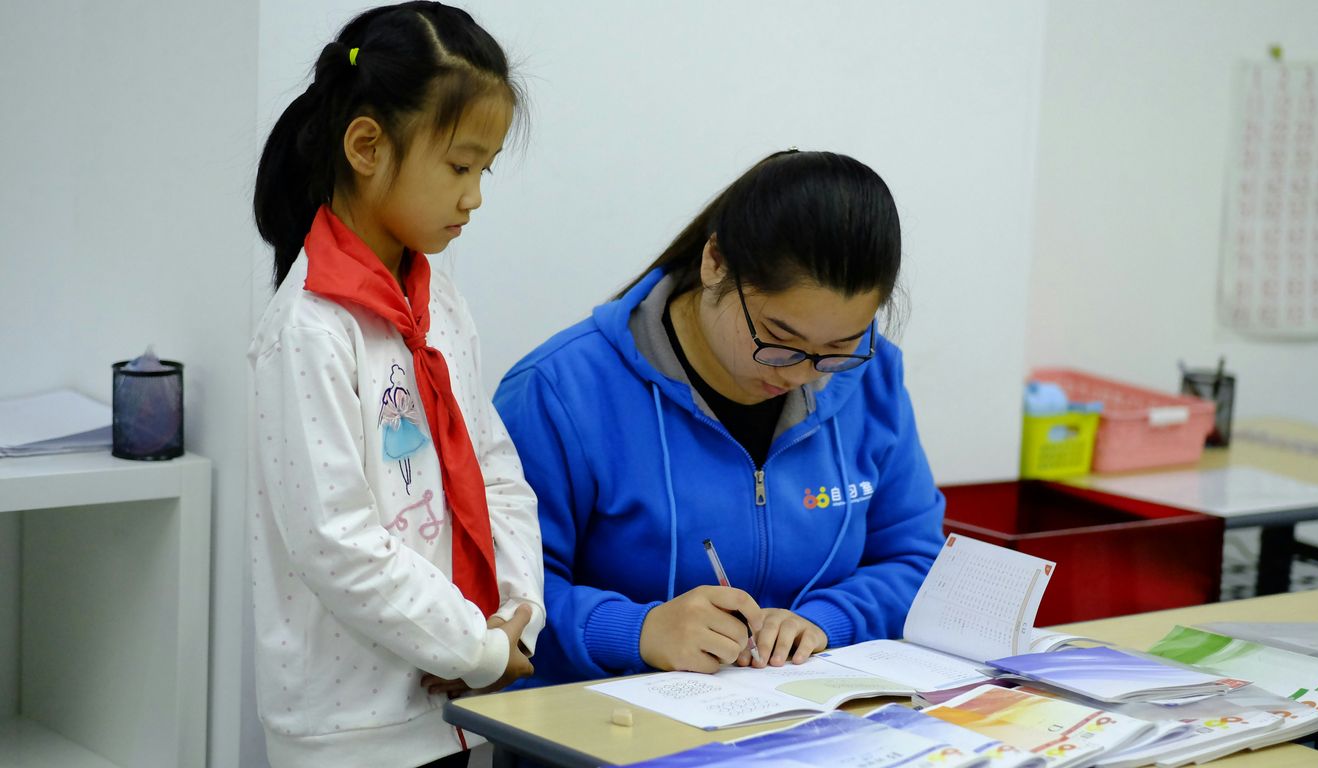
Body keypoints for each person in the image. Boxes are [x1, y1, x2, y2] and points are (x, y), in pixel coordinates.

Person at [493, 149, 945, 688]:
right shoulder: (560, 391)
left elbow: (914, 559)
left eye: (839, 348)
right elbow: (500, 595)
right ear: (715, 263)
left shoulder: (872, 378)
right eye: (780, 341)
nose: (802, 374)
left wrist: (826, 622)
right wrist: (639, 630)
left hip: (801, 726)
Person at [248, 4, 543, 766]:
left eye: (484, 169)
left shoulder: (440, 300)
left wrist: (516, 617)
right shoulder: (309, 328)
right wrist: (475, 647)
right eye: (458, 166)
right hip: (352, 734)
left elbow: (493, 468)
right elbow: (337, 543)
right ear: (368, 146)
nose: (474, 196)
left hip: (456, 708)